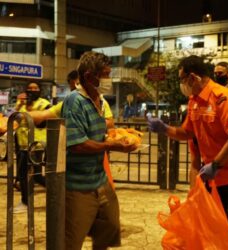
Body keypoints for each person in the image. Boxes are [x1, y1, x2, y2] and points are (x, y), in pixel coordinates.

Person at [148, 55, 228, 249]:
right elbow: (187, 132)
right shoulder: (194, 101)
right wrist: (165, 129)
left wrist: (216, 164)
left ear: (193, 78)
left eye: (182, 79)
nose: (182, 85)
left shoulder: (223, 97)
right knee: (219, 231)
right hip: (216, 178)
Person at [61, 51, 137, 250]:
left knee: (110, 226)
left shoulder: (100, 101)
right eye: (105, 74)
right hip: (78, 184)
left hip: (99, 180)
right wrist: (112, 145)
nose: (108, 79)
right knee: (71, 240)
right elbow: (77, 144)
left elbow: (99, 135)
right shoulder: (74, 101)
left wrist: (121, 134)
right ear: (88, 76)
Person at [29, 70, 116, 188]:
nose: (73, 91)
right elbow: (44, 115)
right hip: (77, 168)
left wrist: (86, 125)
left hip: (97, 159)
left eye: (74, 87)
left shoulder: (99, 101)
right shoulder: (70, 101)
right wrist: (19, 116)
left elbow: (110, 123)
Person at [13, 82, 52, 213]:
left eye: (35, 88)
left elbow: (43, 121)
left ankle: (26, 202)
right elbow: (16, 121)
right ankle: (57, 191)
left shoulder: (44, 103)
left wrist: (28, 109)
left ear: (40, 90)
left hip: (37, 145)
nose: (32, 90)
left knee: (33, 175)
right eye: (30, 88)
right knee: (25, 174)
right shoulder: (22, 104)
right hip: (22, 144)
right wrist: (19, 106)